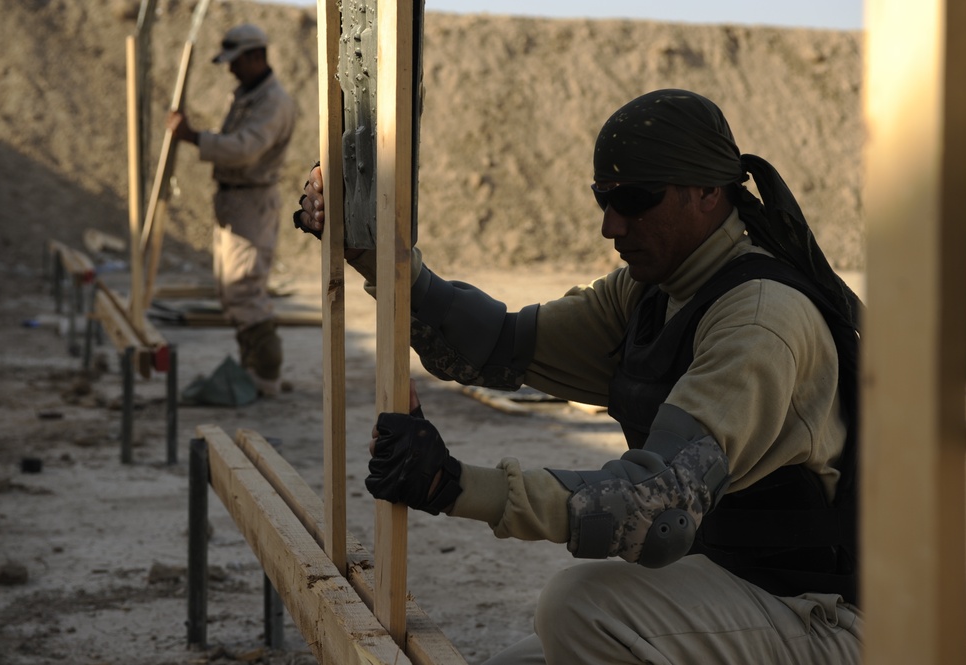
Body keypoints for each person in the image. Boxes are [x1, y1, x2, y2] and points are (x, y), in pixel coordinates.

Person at [295, 89, 863, 664]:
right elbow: (496, 345)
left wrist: (452, 484)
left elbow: (653, 510)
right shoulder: (651, 292)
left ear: (708, 193)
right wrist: (374, 255)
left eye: (636, 199)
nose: (611, 226)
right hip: (734, 591)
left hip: (816, 617)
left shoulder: (760, 320)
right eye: (604, 199)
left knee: (580, 608)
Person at [168, 23, 296, 395]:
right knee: (231, 290)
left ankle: (265, 376)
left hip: (252, 200)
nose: (231, 69)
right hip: (236, 199)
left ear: (256, 56)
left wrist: (194, 137)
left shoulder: (273, 102)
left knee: (245, 291)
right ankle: (252, 369)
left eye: (236, 61)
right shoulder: (249, 96)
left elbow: (244, 148)